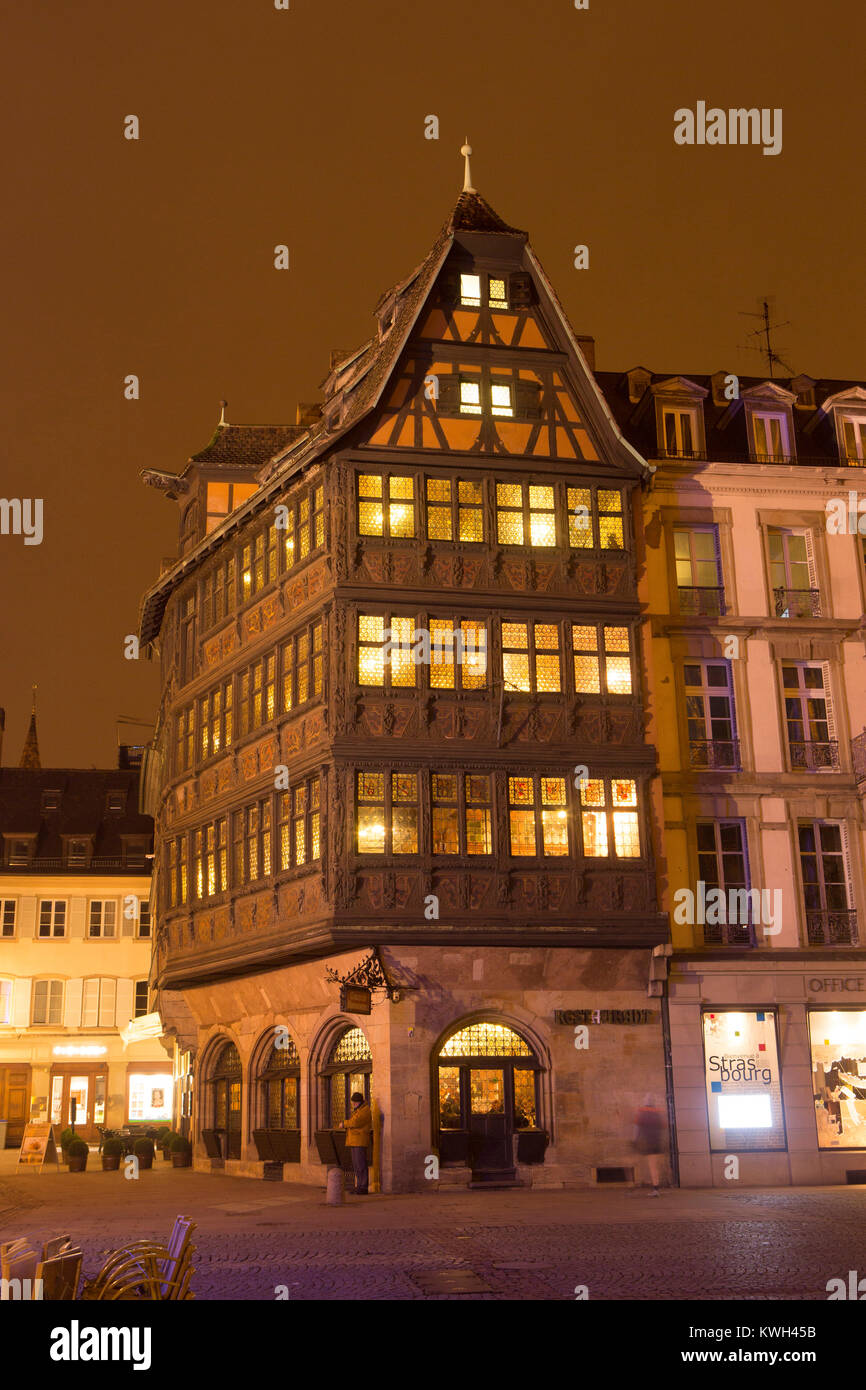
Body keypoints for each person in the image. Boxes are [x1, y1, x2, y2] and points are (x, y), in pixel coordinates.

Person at [343, 1091, 373, 1194]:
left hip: (360, 1141)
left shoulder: (365, 1111)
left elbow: (355, 1122)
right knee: (356, 1165)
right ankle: (359, 1186)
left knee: (361, 1164)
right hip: (354, 1141)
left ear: (360, 1102)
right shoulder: (358, 1110)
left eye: (355, 1102)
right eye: (353, 1102)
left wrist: (344, 1123)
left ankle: (363, 1187)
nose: (353, 1104)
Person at [634, 1096, 665, 1196]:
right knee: (655, 1166)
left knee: (652, 1167)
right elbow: (663, 1127)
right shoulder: (657, 1113)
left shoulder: (642, 1113)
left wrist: (635, 1140)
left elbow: (638, 1128)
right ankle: (656, 1188)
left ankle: (656, 1189)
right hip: (657, 1143)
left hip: (649, 1144)